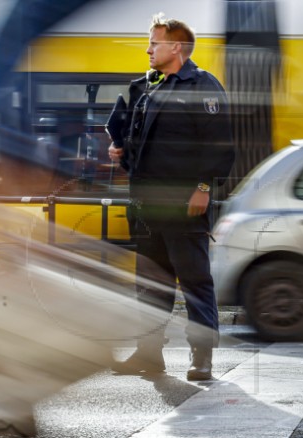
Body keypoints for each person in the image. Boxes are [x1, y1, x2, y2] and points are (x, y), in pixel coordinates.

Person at [107, 13, 234, 381]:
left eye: (155, 42)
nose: (148, 49)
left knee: (194, 281)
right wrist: (120, 150)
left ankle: (202, 357)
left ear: (176, 46)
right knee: (149, 284)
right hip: (147, 207)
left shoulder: (202, 86)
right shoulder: (144, 89)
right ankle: (148, 354)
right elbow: (131, 140)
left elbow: (220, 146)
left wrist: (204, 188)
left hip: (184, 205)